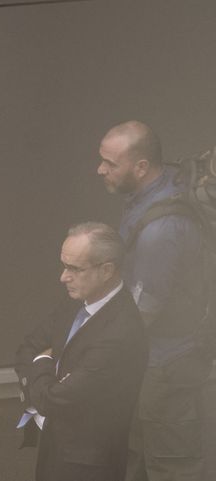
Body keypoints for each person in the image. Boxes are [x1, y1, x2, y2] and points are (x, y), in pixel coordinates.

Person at [98, 121, 212, 481]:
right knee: (141, 455)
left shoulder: (160, 232)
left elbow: (141, 314)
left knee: (174, 465)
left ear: (142, 167)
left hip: (169, 367)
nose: (100, 169)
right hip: (155, 361)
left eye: (110, 163)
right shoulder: (160, 188)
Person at [15, 222, 147, 481]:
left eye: (74, 269)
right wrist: (47, 379)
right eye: (64, 266)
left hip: (87, 464)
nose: (63, 277)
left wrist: (42, 360)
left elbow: (54, 399)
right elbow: (26, 347)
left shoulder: (121, 333)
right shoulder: (76, 300)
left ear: (107, 270)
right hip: (56, 442)